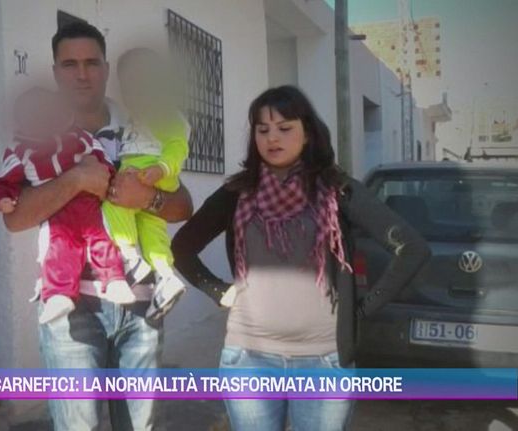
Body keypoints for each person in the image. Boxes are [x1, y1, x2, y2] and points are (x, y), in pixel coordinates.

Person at [172, 85, 430, 431]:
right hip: (249, 359)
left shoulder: (338, 190)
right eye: (262, 129)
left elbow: (412, 248)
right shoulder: (237, 193)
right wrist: (218, 291)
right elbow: (182, 247)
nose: (272, 138)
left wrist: (361, 310)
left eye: (284, 127)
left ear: (307, 133)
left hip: (323, 361)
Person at [0, 22, 193, 430]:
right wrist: (76, 180)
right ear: (55, 72)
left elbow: (183, 205)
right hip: (71, 307)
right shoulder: (38, 129)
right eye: (70, 64)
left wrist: (147, 199)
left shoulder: (139, 121)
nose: (82, 74)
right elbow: (15, 217)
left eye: (91, 63)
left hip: (140, 304)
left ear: (105, 68)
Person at [0, 86, 135, 324]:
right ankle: (59, 295)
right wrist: (1, 199)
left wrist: (106, 175)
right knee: (59, 250)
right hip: (57, 215)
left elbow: (100, 157)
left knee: (102, 238)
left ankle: (115, 279)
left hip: (88, 204)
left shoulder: (78, 137)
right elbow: (4, 181)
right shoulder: (21, 151)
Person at [102, 47, 190, 313]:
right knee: (152, 228)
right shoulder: (136, 117)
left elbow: (178, 145)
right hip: (148, 173)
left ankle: (130, 258)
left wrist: (161, 169)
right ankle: (166, 276)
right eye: (129, 87)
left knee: (115, 201)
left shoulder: (164, 114)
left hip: (148, 170)